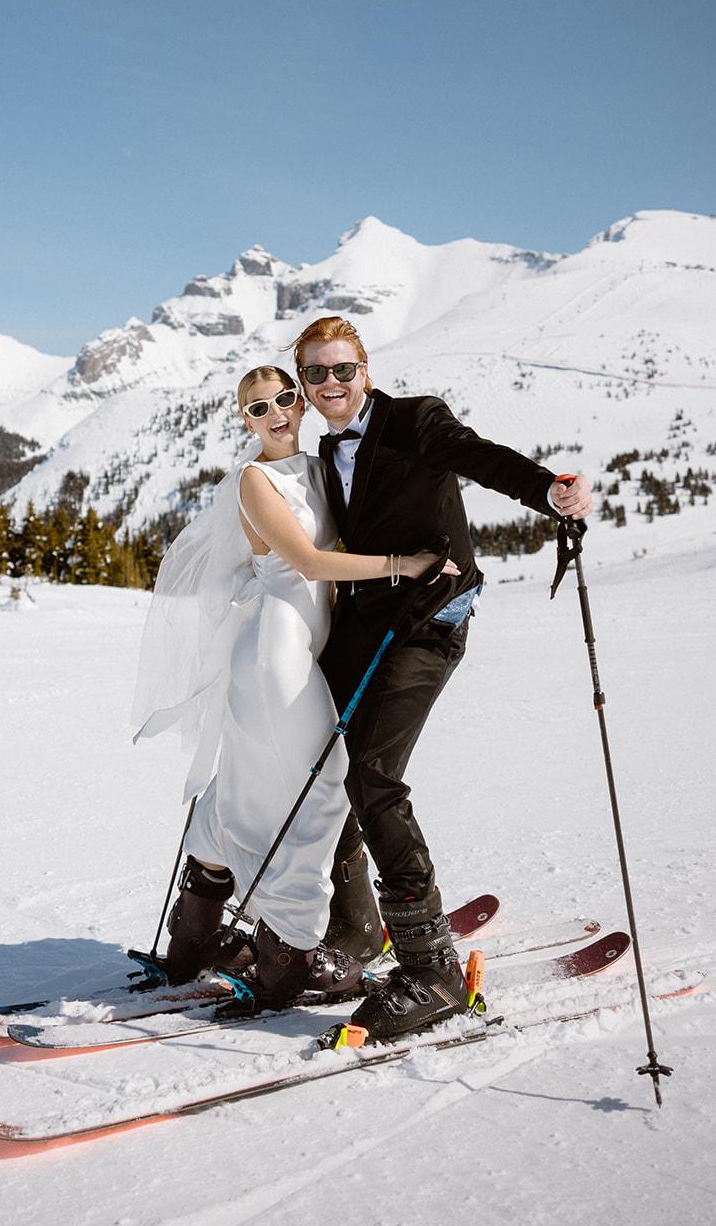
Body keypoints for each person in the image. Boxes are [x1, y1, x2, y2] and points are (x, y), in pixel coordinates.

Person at [293, 315, 593, 1040]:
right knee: (324, 763)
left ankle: (431, 970)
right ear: (303, 383)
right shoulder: (325, 448)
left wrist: (548, 491)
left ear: (365, 370)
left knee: (372, 774)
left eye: (342, 369)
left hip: (429, 617)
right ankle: (357, 927)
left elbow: (480, 457)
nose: (331, 383)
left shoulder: (415, 420)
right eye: (316, 372)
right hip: (363, 621)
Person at [132, 364, 457, 1008]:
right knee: (324, 786)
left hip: (301, 647)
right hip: (275, 651)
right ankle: (291, 957)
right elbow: (307, 562)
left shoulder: (314, 466)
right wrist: (406, 565)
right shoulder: (254, 480)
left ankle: (195, 938)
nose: (276, 413)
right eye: (258, 407)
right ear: (244, 419)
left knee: (248, 783)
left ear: (301, 403)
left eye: (284, 398)